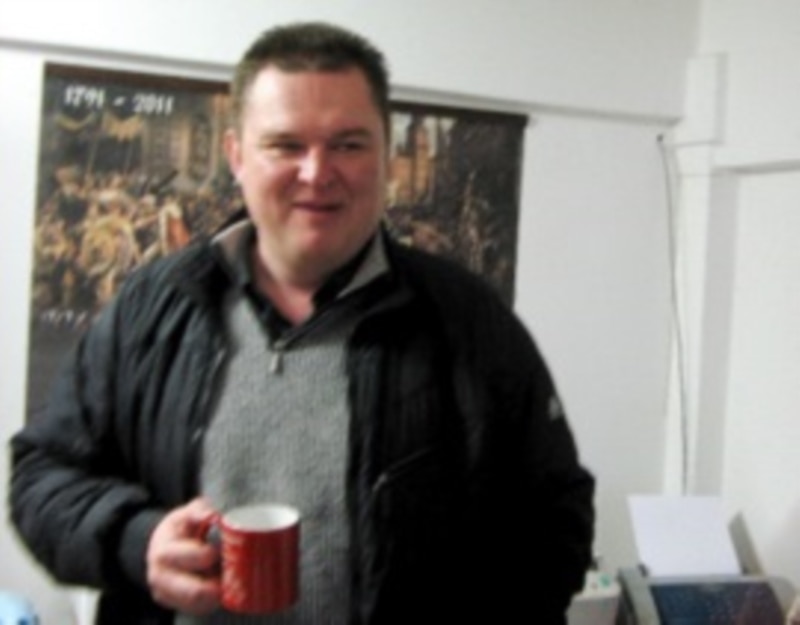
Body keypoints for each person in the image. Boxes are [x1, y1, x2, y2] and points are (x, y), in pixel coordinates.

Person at [9, 21, 595, 625]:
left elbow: (555, 522)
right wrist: (139, 539)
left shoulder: (470, 321)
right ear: (236, 156)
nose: (317, 172)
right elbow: (40, 477)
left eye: (348, 144)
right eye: (286, 145)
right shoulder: (151, 307)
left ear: (386, 156)